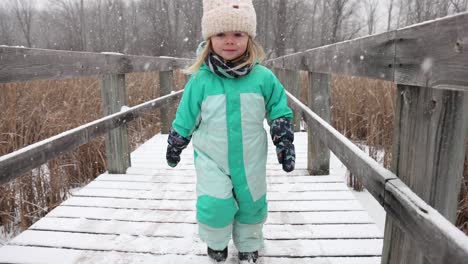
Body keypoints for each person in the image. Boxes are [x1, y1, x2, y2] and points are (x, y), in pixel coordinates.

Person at [166, 0, 295, 263]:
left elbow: (279, 109)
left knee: (252, 201)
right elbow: (186, 115)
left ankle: (248, 243)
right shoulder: (201, 80)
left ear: (249, 38)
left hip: (250, 157)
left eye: (238, 34)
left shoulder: (263, 78)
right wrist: (177, 141)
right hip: (212, 157)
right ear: (210, 38)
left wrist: (283, 140)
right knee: (215, 203)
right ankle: (216, 242)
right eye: (221, 34)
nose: (230, 41)